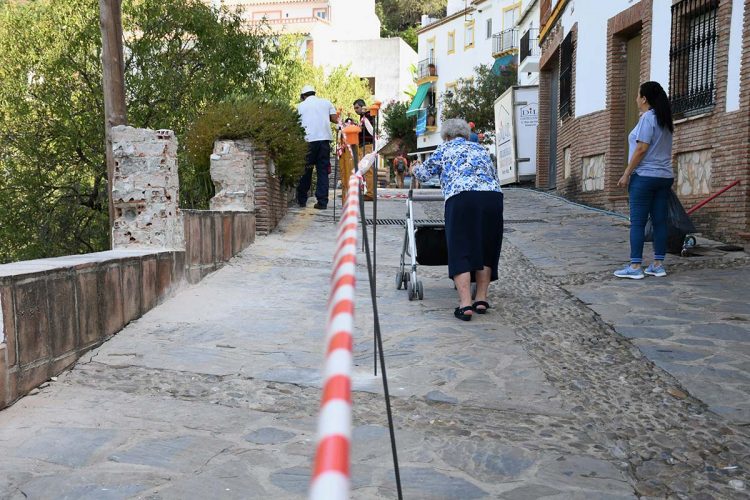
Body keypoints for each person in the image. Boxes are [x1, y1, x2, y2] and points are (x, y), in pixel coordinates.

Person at [411, 118, 504, 321]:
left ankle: (465, 305)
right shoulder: (481, 150)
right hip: (492, 198)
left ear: (446, 136)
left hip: (462, 198)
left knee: (461, 247)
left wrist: (414, 168)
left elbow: (424, 174)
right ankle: (481, 298)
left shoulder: (444, 150)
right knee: (486, 246)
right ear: (466, 134)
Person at [615, 81, 675, 279]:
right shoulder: (665, 119)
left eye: (637, 95)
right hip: (664, 176)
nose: (635, 99)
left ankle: (635, 267)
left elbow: (641, 148)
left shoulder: (648, 118)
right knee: (659, 221)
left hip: (645, 177)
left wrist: (626, 173)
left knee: (638, 223)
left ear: (644, 99)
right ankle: (658, 264)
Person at [295, 85, 338, 210]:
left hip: (307, 142)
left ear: (303, 96)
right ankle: (322, 202)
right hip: (324, 142)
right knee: (323, 171)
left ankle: (302, 200)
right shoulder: (326, 102)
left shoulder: (300, 106)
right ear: (314, 93)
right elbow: (335, 119)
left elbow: (296, 123)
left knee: (305, 171)